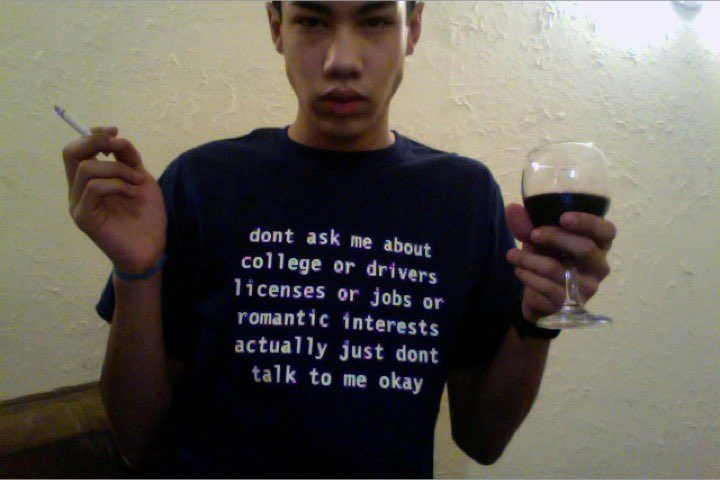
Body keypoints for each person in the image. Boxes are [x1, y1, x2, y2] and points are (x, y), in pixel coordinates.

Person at [60, 1, 617, 477]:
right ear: (277, 26)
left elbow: (483, 439)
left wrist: (538, 319)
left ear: (413, 28)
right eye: (312, 21)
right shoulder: (202, 182)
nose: (341, 60)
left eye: (375, 21)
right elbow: (137, 442)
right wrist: (135, 271)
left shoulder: (463, 196)